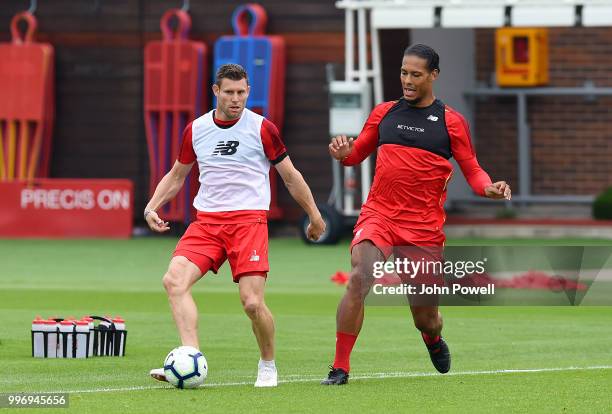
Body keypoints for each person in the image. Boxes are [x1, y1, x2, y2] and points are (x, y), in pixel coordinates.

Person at [321, 44, 511, 385]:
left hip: (422, 230)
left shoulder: (452, 123)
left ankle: (432, 339)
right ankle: (340, 367)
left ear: (433, 75)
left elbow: (473, 171)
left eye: (416, 74)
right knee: (360, 276)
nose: (407, 80)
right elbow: (356, 154)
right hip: (379, 215)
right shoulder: (383, 113)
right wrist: (343, 152)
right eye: (404, 73)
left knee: (426, 317)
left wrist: (489, 188)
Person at [146, 63, 326, 388]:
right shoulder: (197, 129)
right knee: (174, 281)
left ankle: (268, 363)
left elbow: (290, 176)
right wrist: (152, 206)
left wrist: (314, 215)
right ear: (216, 92)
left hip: (248, 222)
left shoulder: (262, 128)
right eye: (229, 92)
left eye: (242, 92)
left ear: (248, 91)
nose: (236, 99)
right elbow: (177, 175)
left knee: (253, 304)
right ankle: (190, 356)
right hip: (207, 223)